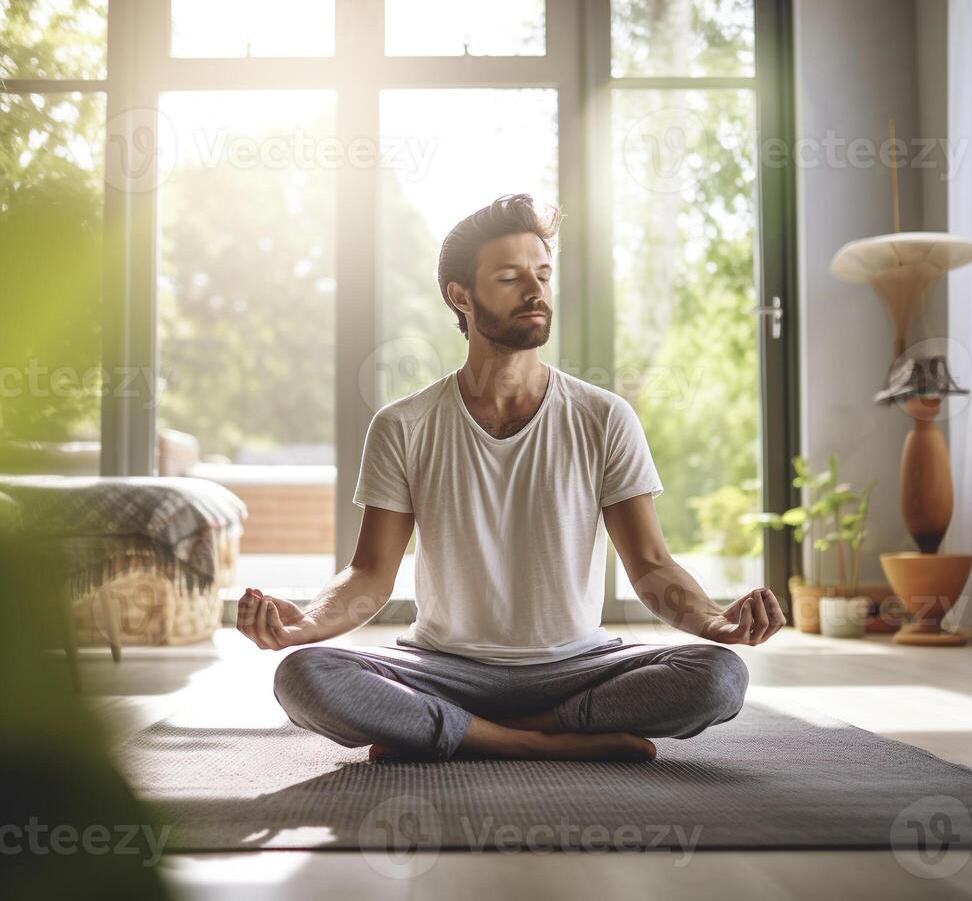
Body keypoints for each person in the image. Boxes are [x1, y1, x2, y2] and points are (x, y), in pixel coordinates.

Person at [237, 193, 786, 763]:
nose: (535, 292)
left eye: (543, 275)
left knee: (718, 676)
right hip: (442, 669)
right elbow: (370, 575)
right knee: (304, 676)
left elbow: (649, 565)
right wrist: (305, 626)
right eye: (509, 277)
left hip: (577, 668)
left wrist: (714, 621)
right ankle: (543, 740)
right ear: (460, 296)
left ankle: (460, 734)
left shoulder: (604, 417)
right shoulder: (403, 424)